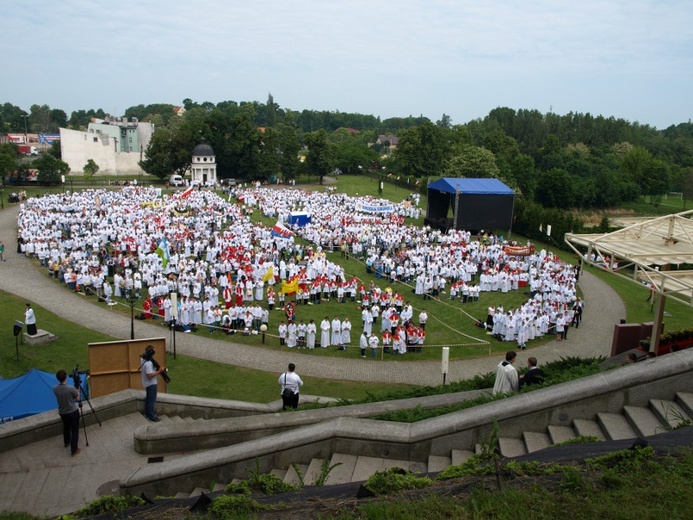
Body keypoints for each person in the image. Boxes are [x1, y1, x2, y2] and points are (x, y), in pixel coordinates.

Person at [53, 369, 81, 456]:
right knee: (75, 431)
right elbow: (77, 399)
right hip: (72, 412)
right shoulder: (71, 388)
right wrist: (78, 389)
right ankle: (74, 450)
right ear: (66, 377)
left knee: (66, 427)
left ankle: (66, 442)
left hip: (62, 412)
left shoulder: (55, 389)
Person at [140, 345, 164, 422]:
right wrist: (159, 371)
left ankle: (148, 414)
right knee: (151, 400)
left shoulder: (143, 359)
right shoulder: (148, 363)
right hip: (151, 383)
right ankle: (151, 416)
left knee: (148, 399)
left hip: (147, 383)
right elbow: (150, 375)